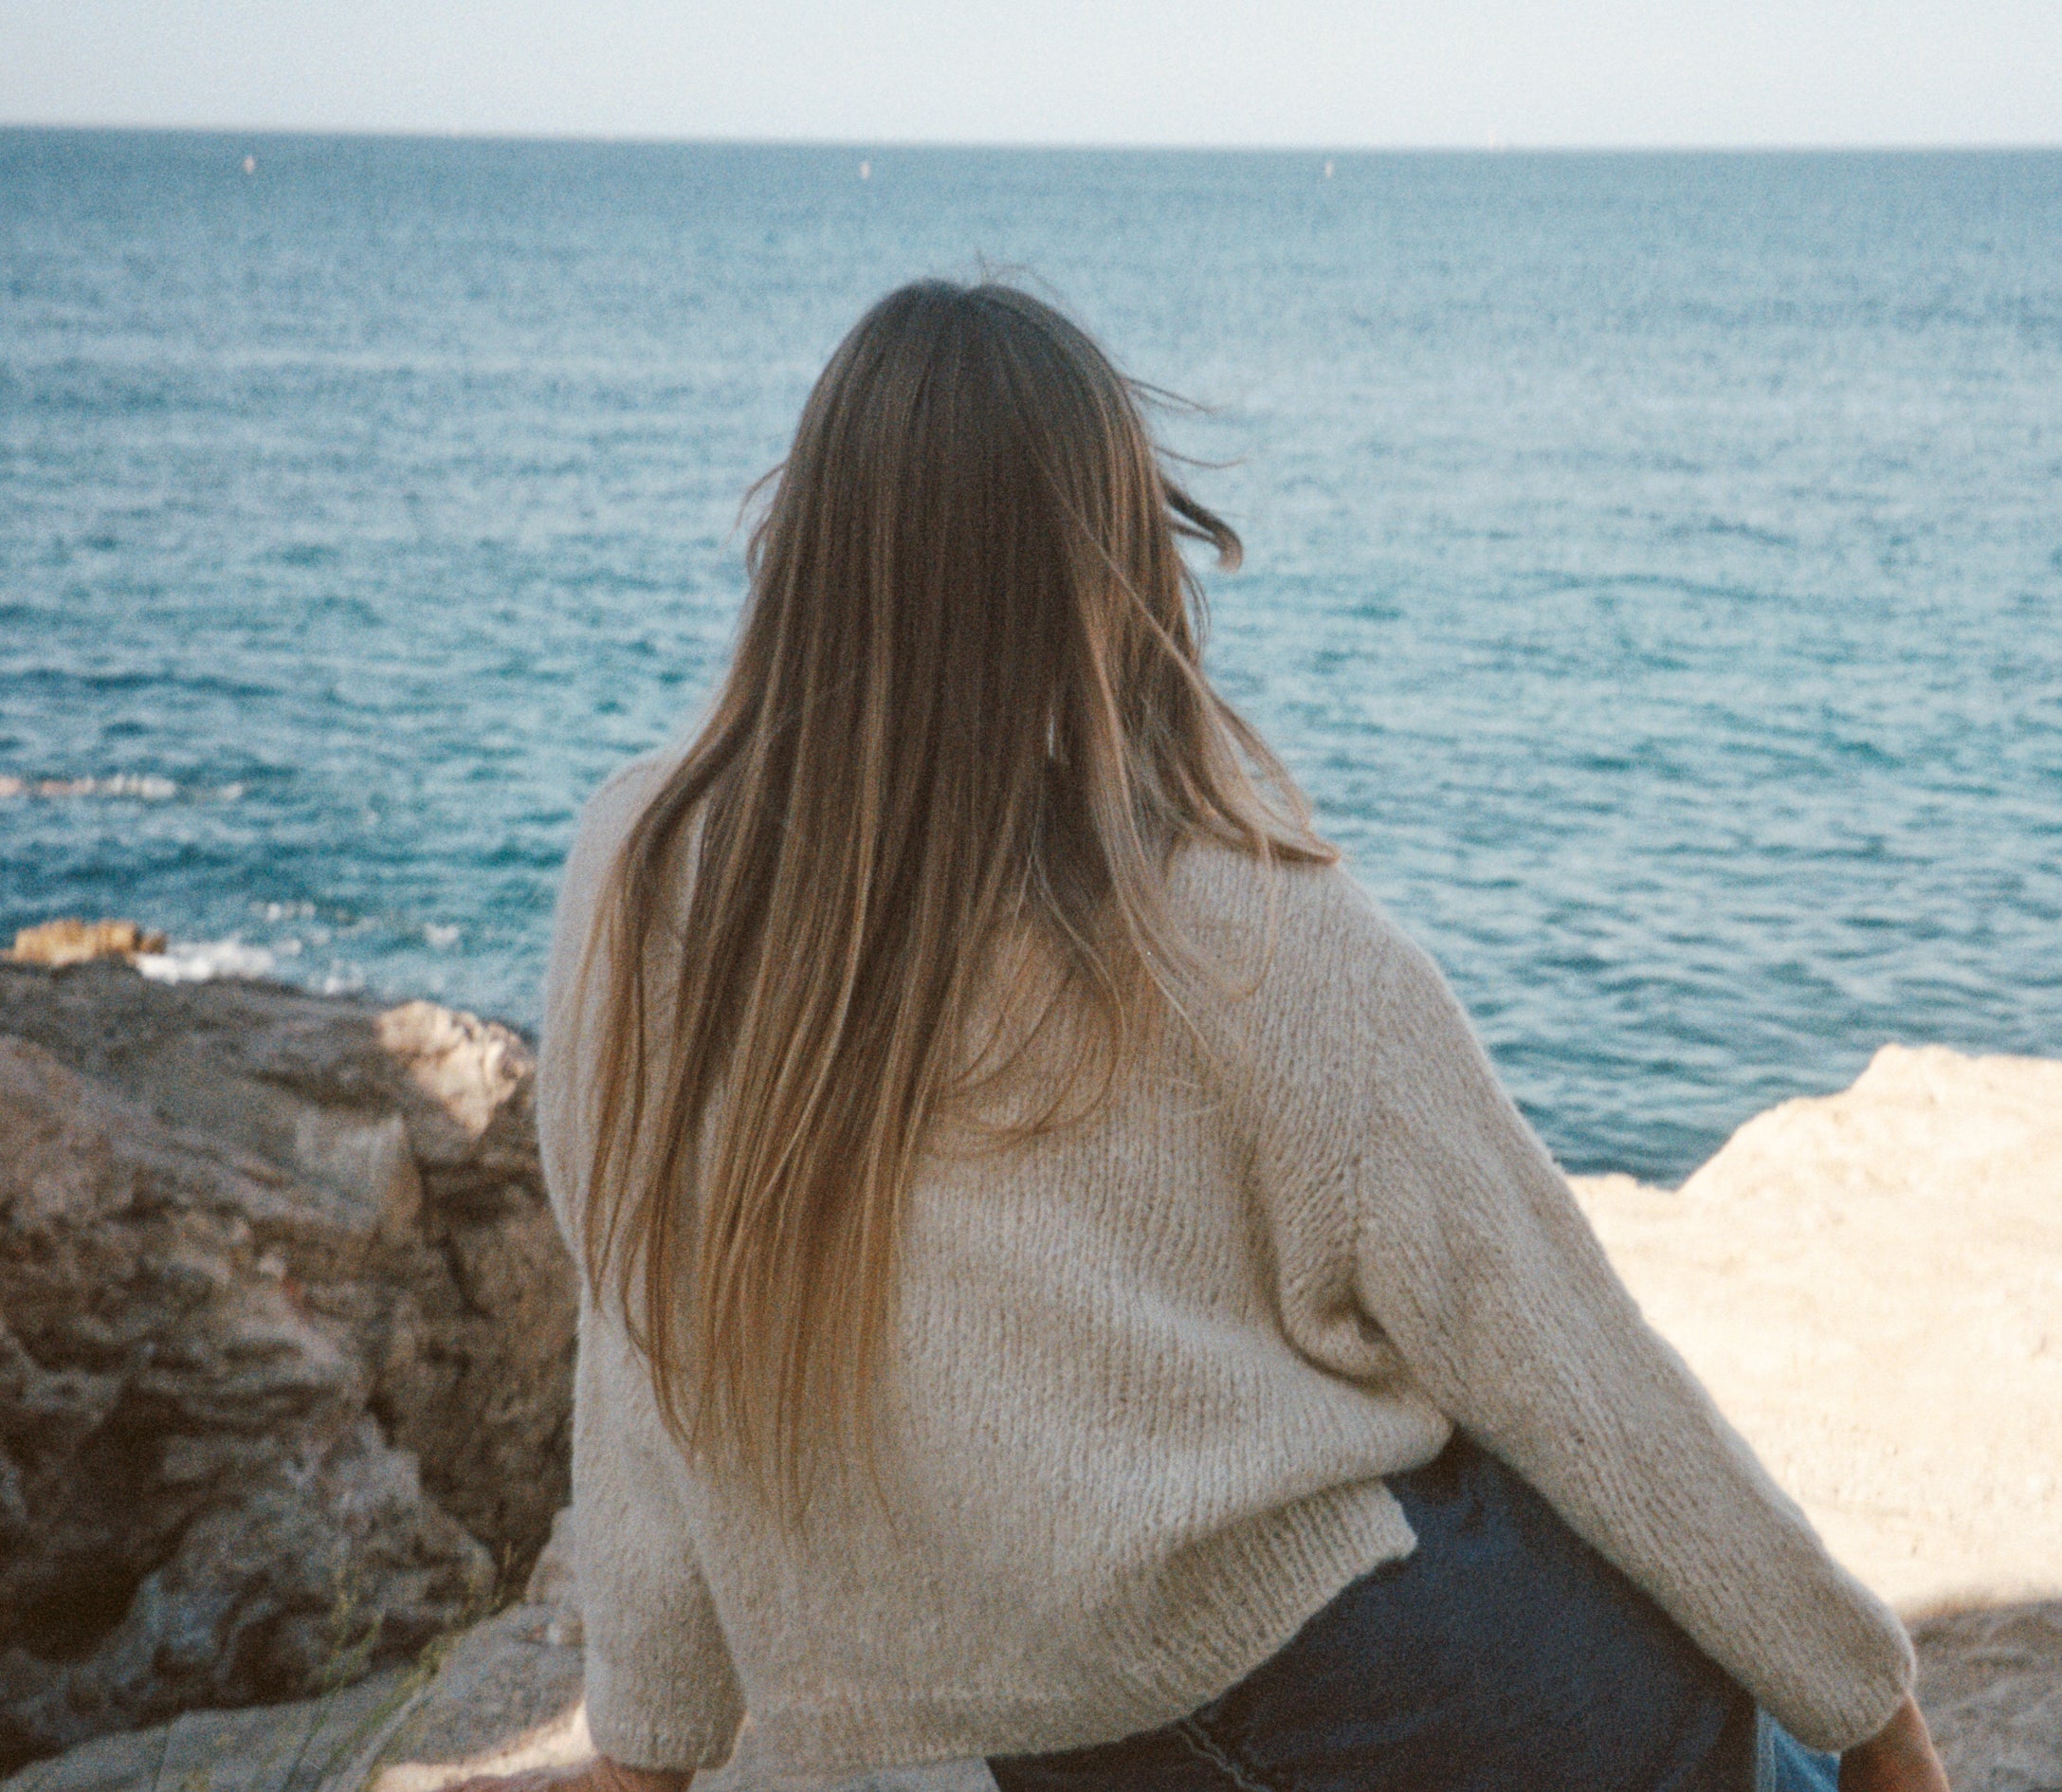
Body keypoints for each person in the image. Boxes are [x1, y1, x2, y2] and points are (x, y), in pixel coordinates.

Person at [465, 281, 1950, 1792]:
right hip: (1385, 1675)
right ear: (1104, 563)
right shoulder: (1236, 922)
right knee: (1772, 1760)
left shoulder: (645, 873)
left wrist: (646, 1748)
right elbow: (1572, 1370)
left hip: (1081, 1749)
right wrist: (1871, 1714)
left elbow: (643, 1317)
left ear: (819, 549)